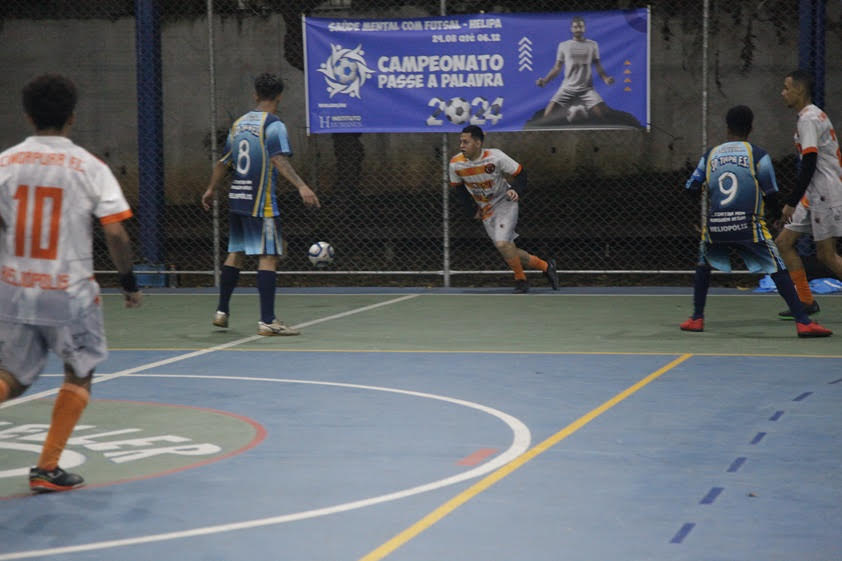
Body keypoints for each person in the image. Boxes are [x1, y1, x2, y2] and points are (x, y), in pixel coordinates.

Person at [0, 74, 143, 492]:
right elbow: (116, 232)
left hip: (15, 288)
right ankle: (47, 467)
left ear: (27, 115)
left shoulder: (6, 163)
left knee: (11, 377)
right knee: (78, 372)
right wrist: (128, 282)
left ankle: (47, 467)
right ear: (72, 118)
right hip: (69, 290)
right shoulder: (89, 167)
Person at [680, 105, 831, 338]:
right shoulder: (758, 155)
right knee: (777, 267)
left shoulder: (710, 155)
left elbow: (690, 188)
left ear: (727, 127)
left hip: (717, 225)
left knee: (704, 265)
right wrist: (776, 217)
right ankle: (803, 322)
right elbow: (770, 193)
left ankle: (696, 318)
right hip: (748, 226)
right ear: (751, 128)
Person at [202, 73, 320, 336]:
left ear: (256, 95)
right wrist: (301, 185)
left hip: (238, 197)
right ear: (279, 96)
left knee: (236, 252)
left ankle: (222, 311)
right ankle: (267, 320)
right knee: (268, 256)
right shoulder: (274, 125)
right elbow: (278, 159)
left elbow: (224, 162)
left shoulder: (240, 124)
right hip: (261, 202)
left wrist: (211, 188)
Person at [449, 125, 559, 293]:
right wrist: (472, 210)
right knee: (507, 247)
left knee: (502, 243)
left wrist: (515, 190)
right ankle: (546, 266)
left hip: (504, 202)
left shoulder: (496, 157)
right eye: (460, 142)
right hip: (486, 210)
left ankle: (521, 280)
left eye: (466, 142)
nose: (461, 146)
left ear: (478, 143)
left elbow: (521, 174)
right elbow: (459, 190)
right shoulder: (456, 164)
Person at [773, 69, 842, 319]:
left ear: (799, 90)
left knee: (827, 255)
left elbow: (810, 161)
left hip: (825, 192)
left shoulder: (809, 119)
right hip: (814, 192)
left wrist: (791, 202)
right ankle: (805, 301)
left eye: (786, 87)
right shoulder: (809, 116)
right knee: (783, 242)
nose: (783, 93)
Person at [535, 16, 615, 123]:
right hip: (567, 88)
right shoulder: (563, 45)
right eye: (575, 27)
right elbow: (557, 67)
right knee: (547, 115)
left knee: (603, 115)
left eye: (580, 27)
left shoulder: (592, 44)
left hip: (586, 89)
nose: (578, 29)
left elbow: (598, 65)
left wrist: (605, 78)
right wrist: (545, 80)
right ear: (571, 29)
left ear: (584, 28)